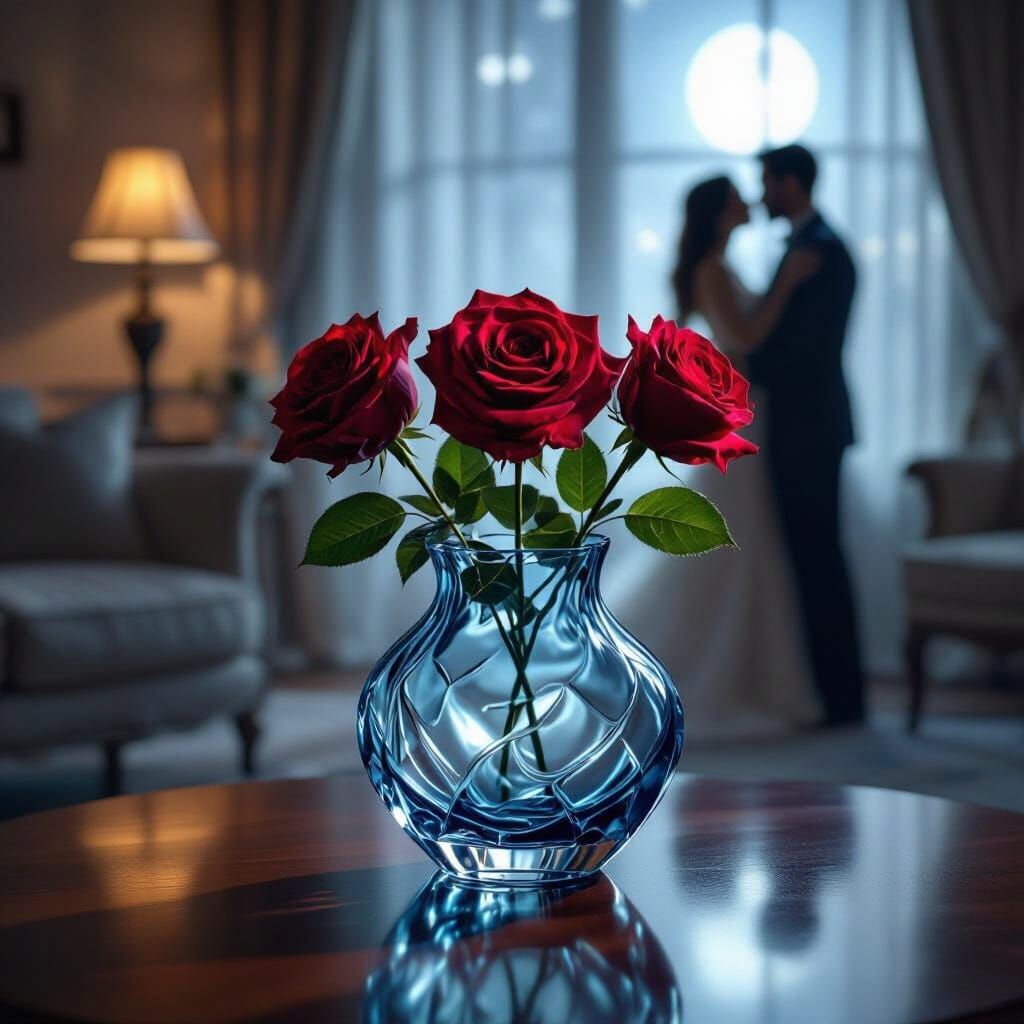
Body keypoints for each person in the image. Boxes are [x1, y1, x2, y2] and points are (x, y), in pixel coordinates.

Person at [617, 174, 822, 740]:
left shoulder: (717, 265)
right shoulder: (712, 268)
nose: (749, 204)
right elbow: (743, 335)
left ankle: (756, 671)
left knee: (749, 539)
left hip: (752, 408)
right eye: (737, 200)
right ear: (718, 212)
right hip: (741, 411)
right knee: (740, 537)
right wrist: (788, 286)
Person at [745, 144, 865, 726]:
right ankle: (834, 695)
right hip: (806, 424)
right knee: (813, 556)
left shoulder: (821, 252)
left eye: (767, 181)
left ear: (792, 183)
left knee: (819, 557)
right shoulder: (807, 247)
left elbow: (797, 350)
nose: (761, 193)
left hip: (810, 426)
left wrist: (748, 362)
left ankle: (843, 701)